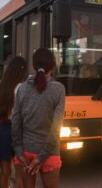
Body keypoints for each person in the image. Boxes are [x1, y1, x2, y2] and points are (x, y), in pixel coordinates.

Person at [12, 48, 65, 188]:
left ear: (34, 66)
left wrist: (18, 151)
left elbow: (16, 123)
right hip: (50, 153)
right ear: (53, 66)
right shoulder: (59, 89)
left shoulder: (22, 89)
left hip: (25, 153)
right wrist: (41, 157)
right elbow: (56, 128)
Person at [0, 56, 27, 188]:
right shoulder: (23, 88)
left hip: (3, 131)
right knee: (20, 173)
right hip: (19, 132)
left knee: (5, 172)